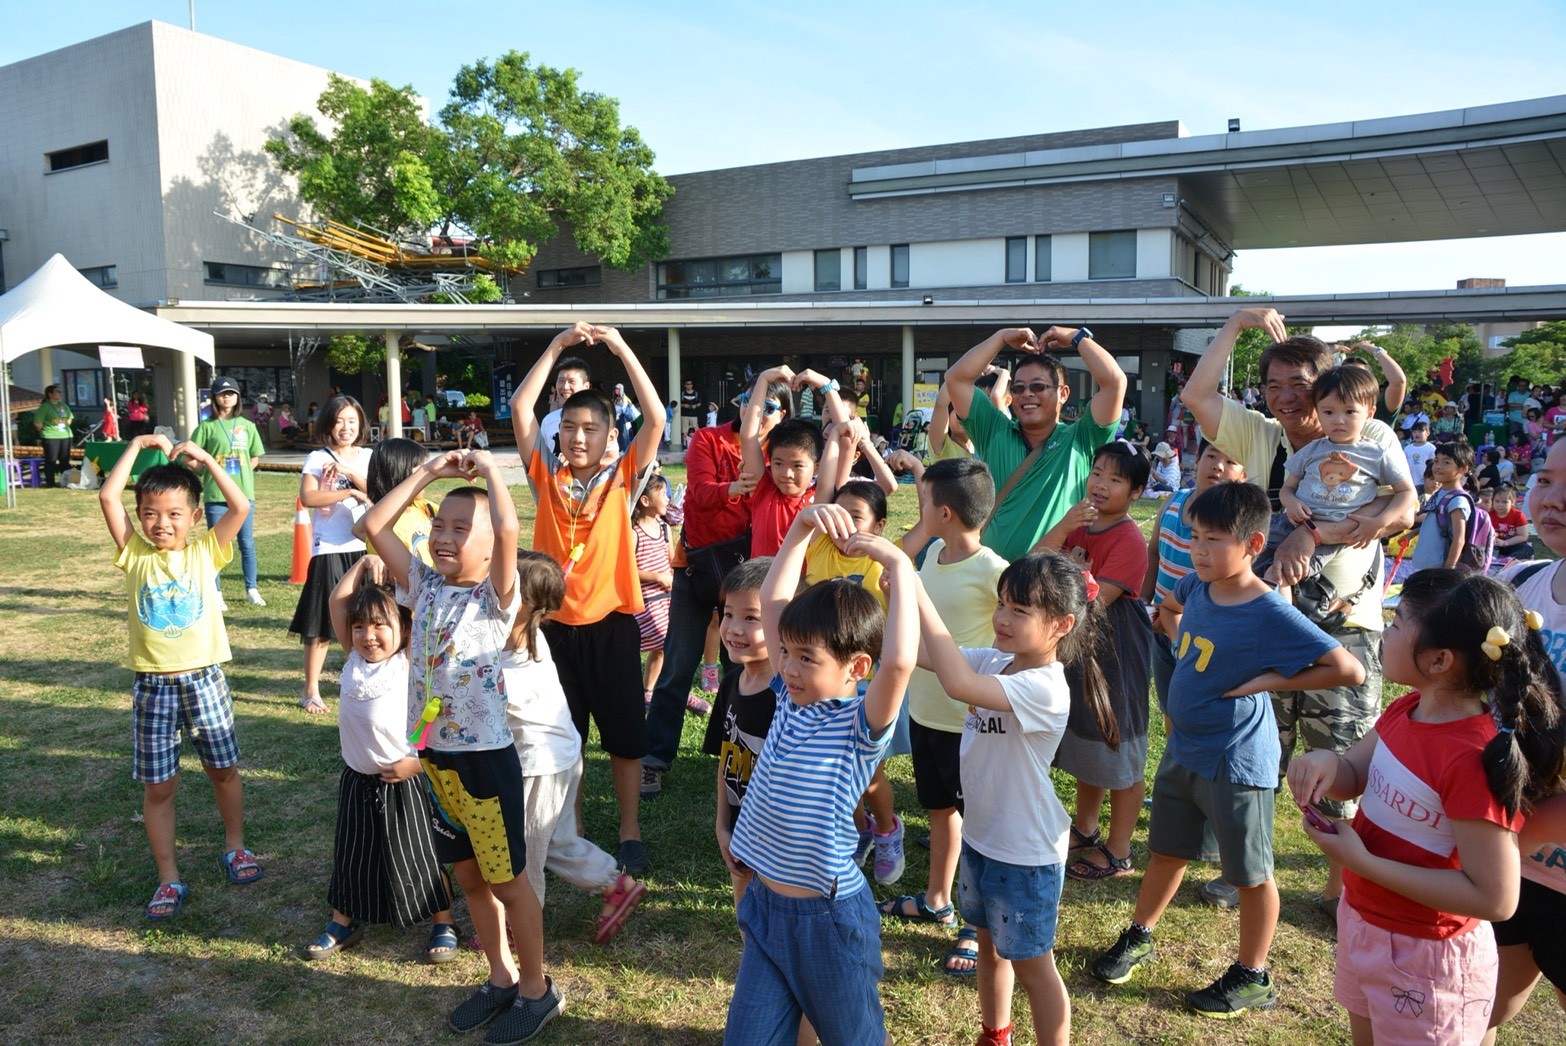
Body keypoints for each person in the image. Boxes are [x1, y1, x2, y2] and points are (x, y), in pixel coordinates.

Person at [1090, 481, 1363, 1017]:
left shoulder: (1266, 610)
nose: (1199, 550)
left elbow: (1346, 668)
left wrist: (1265, 681)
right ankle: (1139, 934)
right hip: (1186, 750)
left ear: (1253, 544)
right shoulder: (1197, 585)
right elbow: (1167, 610)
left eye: (1214, 540)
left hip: (1236, 762)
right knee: (1167, 851)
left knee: (1251, 872)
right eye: (1194, 538)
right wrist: (1181, 660)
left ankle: (1253, 974)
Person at [1181, 306, 1413, 913]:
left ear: (1332, 384)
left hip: (1349, 620)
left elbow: (1401, 512)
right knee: (1259, 749)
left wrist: (1312, 535)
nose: (1284, 397)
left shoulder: (1373, 437)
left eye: (1300, 383)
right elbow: (1197, 392)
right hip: (1271, 622)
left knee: (1338, 751)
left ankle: (1344, 890)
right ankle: (1244, 868)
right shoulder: (1262, 437)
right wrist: (1234, 324)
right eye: (1272, 384)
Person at [1289, 570, 1563, 1045]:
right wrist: (1324, 764)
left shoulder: (1470, 759)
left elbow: (1494, 897)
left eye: (1397, 626)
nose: (1386, 632)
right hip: (1366, 922)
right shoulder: (1406, 710)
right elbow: (1354, 772)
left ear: (1438, 660)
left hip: (1428, 956)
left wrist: (1363, 863)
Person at [364, 451, 563, 1042]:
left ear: (488, 547)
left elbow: (507, 529)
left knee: (508, 882)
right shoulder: (422, 584)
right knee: (471, 879)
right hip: (434, 759)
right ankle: (499, 977)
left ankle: (536, 990)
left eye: (460, 529)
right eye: (440, 526)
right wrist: (426, 476)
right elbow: (374, 526)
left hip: (483, 764)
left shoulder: (495, 597)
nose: (444, 537)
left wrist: (487, 471)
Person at [722, 509, 916, 1044]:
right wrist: (801, 529)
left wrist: (898, 565)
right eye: (786, 652)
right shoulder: (791, 699)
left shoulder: (860, 724)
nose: (787, 667)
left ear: (856, 668)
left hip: (828, 923)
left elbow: (897, 663)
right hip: (764, 906)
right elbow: (772, 604)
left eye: (806, 658)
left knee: (851, 1038)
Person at [915, 550, 1110, 1046]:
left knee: (1033, 966)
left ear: (1062, 624)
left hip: (1024, 854)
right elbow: (929, 655)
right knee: (989, 947)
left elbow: (957, 683)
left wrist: (908, 579)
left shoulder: (1044, 687)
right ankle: (995, 1034)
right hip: (981, 838)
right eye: (1002, 604)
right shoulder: (998, 660)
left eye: (1020, 610)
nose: (1002, 617)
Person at [510, 323, 665, 875]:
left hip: (612, 623)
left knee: (624, 736)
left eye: (591, 429)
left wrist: (622, 347)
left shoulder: (624, 477)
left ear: (608, 436)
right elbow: (520, 406)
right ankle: (570, 829)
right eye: (570, 427)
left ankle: (629, 832)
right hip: (552, 629)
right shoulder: (544, 477)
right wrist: (555, 347)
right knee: (563, 735)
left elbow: (657, 417)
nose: (578, 438)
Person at [98, 432, 260, 919]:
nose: (160, 523)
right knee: (158, 786)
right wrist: (138, 445)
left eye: (172, 514)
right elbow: (109, 495)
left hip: (204, 680)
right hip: (153, 686)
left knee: (223, 770)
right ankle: (168, 876)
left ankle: (235, 846)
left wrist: (206, 458)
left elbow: (240, 505)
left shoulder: (206, 551)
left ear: (193, 517)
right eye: (149, 512)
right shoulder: (134, 553)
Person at [878, 458, 1008, 978]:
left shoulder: (994, 570)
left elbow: (1013, 636)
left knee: (976, 826)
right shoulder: (931, 553)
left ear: (946, 512)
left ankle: (977, 925)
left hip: (967, 723)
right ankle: (937, 898)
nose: (919, 508)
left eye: (924, 501)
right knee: (939, 813)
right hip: (927, 712)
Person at [641, 372, 796, 801]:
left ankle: (739, 759)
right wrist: (732, 487)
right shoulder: (707, 439)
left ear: (783, 415)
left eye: (768, 407)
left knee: (744, 668)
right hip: (695, 569)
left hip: (744, 574)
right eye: (750, 400)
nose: (756, 410)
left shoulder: (777, 456)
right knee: (677, 666)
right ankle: (655, 759)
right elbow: (700, 493)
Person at [303, 558, 457, 964]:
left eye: (380, 626)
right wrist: (363, 563)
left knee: (419, 852)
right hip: (357, 778)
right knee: (352, 853)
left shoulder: (407, 663)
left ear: (403, 631)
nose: (368, 636)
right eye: (360, 627)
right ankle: (343, 921)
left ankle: (443, 920)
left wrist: (416, 765)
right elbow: (339, 600)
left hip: (403, 780)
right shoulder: (353, 661)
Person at [500, 551, 646, 945]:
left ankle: (518, 925)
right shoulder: (532, 637)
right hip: (561, 757)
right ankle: (616, 885)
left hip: (539, 768)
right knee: (557, 840)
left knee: (526, 849)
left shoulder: (514, 662)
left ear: (523, 605)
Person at [1040, 443, 1154, 883]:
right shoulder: (1079, 523)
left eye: (1115, 479)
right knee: (1088, 738)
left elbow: (1096, 600)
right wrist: (1063, 526)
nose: (1101, 485)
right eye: (1097, 474)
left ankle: (1121, 851)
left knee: (1118, 742)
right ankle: (1086, 829)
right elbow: (1033, 561)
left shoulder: (1128, 539)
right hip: (1078, 645)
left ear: (1137, 491)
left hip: (1115, 649)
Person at [1487, 438, 1566, 1038]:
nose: (1553, 499)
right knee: (1478, 1005)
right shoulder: (1519, 581)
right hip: (1503, 864)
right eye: (1544, 479)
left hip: (1531, 852)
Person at [944, 325, 1127, 561]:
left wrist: (1076, 337)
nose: (1027, 394)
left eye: (1038, 386)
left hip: (1051, 583)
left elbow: (1115, 383)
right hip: (992, 581)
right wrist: (1000, 337)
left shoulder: (1081, 438)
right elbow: (956, 379)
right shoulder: (994, 430)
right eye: (1019, 388)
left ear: (1063, 393)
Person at [1276, 365, 1418, 581]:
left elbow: (1407, 493)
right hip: (1291, 523)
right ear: (1318, 412)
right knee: (1246, 555)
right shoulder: (1312, 449)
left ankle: (1280, 614)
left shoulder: (1376, 453)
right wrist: (1291, 502)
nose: (1338, 420)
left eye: (1350, 411)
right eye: (1329, 412)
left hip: (1329, 539)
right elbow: (1287, 488)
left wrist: (1380, 521)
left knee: (1282, 574)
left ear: (1369, 413)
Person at [1142, 440, 1248, 714]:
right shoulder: (1172, 502)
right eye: (1211, 456)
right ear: (1197, 460)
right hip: (1161, 628)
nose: (1218, 466)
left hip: (1204, 639)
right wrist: (1145, 601)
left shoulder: (1235, 526)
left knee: (1199, 711)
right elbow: (1154, 552)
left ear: (1243, 476)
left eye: (1231, 461)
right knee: (1170, 707)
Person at [289, 395, 373, 715]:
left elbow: (375, 490)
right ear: (328, 424)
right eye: (339, 421)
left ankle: (362, 679)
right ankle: (310, 690)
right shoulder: (315, 458)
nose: (346, 428)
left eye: (352, 421)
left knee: (366, 618)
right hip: (329, 547)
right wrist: (349, 492)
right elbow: (309, 497)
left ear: (361, 424)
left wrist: (349, 474)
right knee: (320, 624)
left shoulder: (367, 456)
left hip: (364, 547)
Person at [741, 367, 844, 559]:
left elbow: (847, 436)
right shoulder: (764, 490)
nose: (787, 473)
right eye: (778, 463)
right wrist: (763, 379)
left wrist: (826, 385)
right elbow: (748, 437)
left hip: (805, 589)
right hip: (759, 588)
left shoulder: (819, 498)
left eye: (797, 466)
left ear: (817, 467)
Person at [191, 377, 267, 608]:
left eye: (232, 393)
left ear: (238, 398)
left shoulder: (248, 426)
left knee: (247, 543)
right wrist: (208, 470)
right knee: (217, 544)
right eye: (223, 394)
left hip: (243, 495)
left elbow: (254, 457)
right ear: (214, 398)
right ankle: (216, 592)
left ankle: (251, 589)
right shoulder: (206, 427)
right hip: (216, 496)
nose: (227, 397)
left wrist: (242, 471)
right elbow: (190, 457)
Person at [632, 472, 674, 705]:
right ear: (645, 501)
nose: (668, 499)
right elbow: (626, 569)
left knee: (663, 646)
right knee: (650, 642)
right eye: (662, 495)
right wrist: (657, 576)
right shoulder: (634, 532)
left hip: (665, 598)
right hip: (644, 601)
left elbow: (672, 559)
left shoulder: (664, 528)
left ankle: (648, 691)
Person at [1410, 440, 1478, 573]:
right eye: (1436, 461)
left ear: (1463, 469)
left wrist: (1448, 570)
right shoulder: (1440, 493)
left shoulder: (1458, 501)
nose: (1438, 466)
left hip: (1438, 568)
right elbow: (1436, 524)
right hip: (1426, 564)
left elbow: (1459, 539)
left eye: (1446, 462)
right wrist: (1412, 534)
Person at [538, 355, 591, 456]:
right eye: (561, 381)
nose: (565, 387)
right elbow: (542, 457)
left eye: (572, 382)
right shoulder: (548, 421)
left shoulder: (599, 418)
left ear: (586, 386)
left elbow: (610, 458)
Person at [34, 384, 74, 487]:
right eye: (57, 392)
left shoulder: (63, 405)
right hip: (51, 436)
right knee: (51, 459)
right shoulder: (45, 407)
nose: (60, 394)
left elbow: (70, 418)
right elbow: (38, 423)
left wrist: (65, 424)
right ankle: (50, 482)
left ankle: (66, 481)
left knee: (65, 460)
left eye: (60, 392)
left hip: (65, 435)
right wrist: (48, 429)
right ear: (50, 394)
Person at [1491, 483, 1534, 559]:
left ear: (1513, 502)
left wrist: (1505, 543)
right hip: (1493, 545)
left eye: (1505, 502)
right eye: (1497, 501)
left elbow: (1523, 536)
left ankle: (1509, 561)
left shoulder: (1518, 515)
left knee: (1527, 549)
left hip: (1512, 544)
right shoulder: (1488, 514)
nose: (1500, 505)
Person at [1404, 420, 1436, 485]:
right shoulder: (1407, 448)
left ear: (1427, 433)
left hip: (1425, 482)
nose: (1417, 434)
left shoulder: (1431, 448)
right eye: (1415, 432)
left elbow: (1433, 464)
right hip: (1410, 481)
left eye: (1420, 431)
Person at [680, 377, 702, 447]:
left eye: (690, 384)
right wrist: (684, 405)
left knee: (696, 429)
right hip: (684, 414)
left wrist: (696, 405)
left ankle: (696, 444)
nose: (689, 385)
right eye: (687, 384)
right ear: (685, 385)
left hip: (694, 414)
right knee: (684, 430)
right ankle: (684, 444)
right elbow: (678, 404)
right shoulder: (682, 393)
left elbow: (700, 403)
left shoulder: (696, 393)